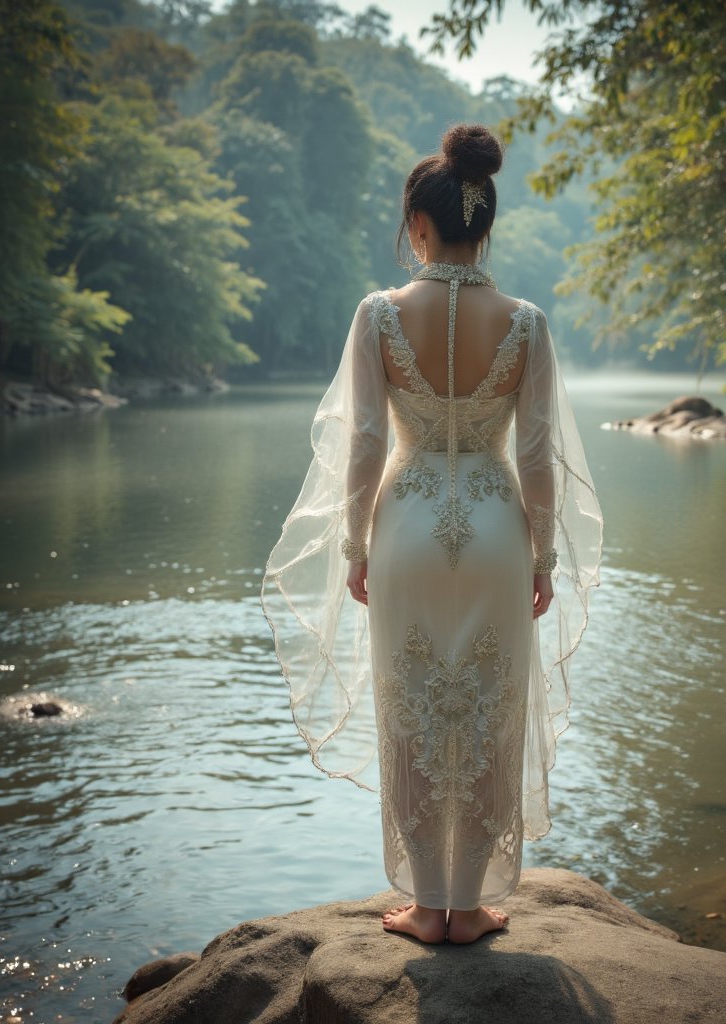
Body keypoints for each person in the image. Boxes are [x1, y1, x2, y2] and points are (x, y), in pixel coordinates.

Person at [262, 124, 602, 944]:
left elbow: (367, 444)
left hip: (407, 522)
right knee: (487, 706)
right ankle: (472, 905)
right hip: (496, 526)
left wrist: (352, 545)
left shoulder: (379, 314)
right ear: (484, 222)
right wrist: (546, 557)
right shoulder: (525, 322)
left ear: (420, 225)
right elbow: (537, 455)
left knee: (412, 704)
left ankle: (425, 905)